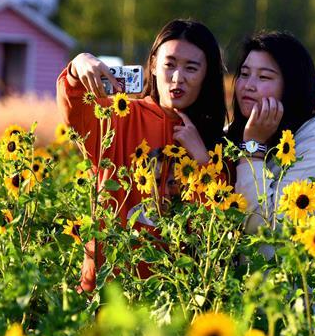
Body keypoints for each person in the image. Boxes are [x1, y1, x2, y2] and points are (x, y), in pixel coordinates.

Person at [57, 19, 227, 292]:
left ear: (207, 76)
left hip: (174, 299)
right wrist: (78, 65)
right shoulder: (121, 117)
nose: (177, 77)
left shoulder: (214, 141)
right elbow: (75, 111)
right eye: (169, 64)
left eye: (191, 68)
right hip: (108, 288)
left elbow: (215, 225)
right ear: (153, 66)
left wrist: (202, 161)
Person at [228, 31, 315, 261]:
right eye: (244, 74)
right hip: (247, 291)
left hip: (301, 292)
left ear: (292, 86)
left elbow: (263, 226)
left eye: (264, 77)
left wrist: (253, 149)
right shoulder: (235, 135)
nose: (248, 86)